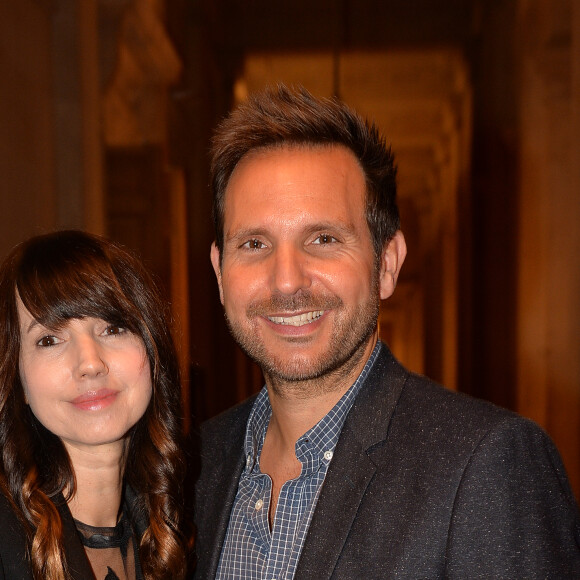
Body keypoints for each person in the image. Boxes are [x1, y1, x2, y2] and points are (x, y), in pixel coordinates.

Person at [194, 84, 580, 579]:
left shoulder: (486, 466)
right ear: (220, 272)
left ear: (387, 264)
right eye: (254, 243)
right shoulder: (195, 465)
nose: (286, 279)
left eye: (324, 238)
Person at [0, 230, 190, 580]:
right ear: (17, 380)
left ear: (151, 346)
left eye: (113, 328)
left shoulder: (179, 525)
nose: (90, 363)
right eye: (49, 339)